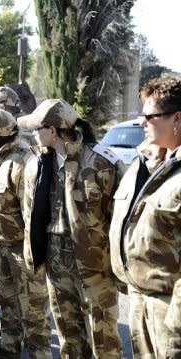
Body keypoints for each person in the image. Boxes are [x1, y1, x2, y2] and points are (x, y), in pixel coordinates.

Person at [19, 99, 123, 358]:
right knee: (69, 338)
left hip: (95, 271)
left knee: (104, 343)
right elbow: (29, 213)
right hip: (57, 267)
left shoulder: (101, 163)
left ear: (53, 131)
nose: (33, 134)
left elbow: (122, 220)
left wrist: (120, 269)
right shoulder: (37, 165)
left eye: (37, 128)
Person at [110, 77, 181, 358]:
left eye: (149, 117)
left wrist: (176, 328)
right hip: (140, 300)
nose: (142, 123)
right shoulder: (153, 163)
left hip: (170, 313)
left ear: (176, 118)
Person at [0, 109, 51, 358]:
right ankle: (9, 349)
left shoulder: (23, 163)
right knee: (8, 304)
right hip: (2, 245)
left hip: (22, 250)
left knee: (34, 311)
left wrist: (32, 257)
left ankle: (40, 354)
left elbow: (32, 216)